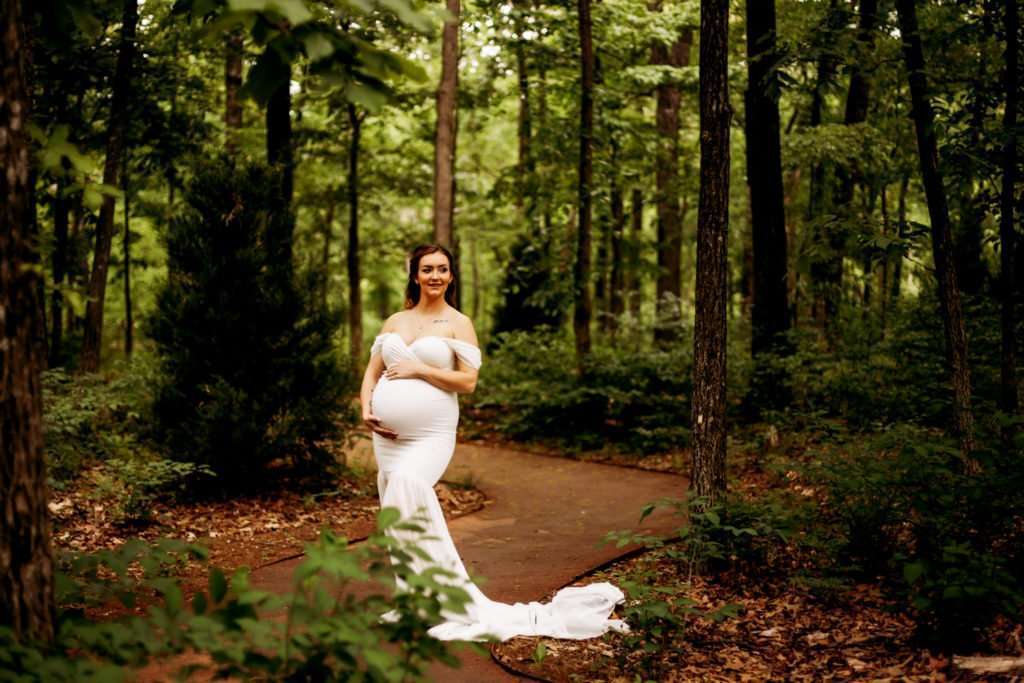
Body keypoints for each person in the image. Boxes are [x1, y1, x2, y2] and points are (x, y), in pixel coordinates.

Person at [359, 243, 630, 642]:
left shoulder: (457, 322)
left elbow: (468, 382)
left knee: (409, 487)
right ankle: (414, 599)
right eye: (427, 269)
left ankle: (452, 598)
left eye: (443, 269)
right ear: (414, 275)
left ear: (451, 277)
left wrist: (418, 368)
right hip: (387, 439)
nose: (435, 276)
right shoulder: (394, 320)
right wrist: (366, 409)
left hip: (431, 434)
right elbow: (371, 373)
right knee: (395, 512)